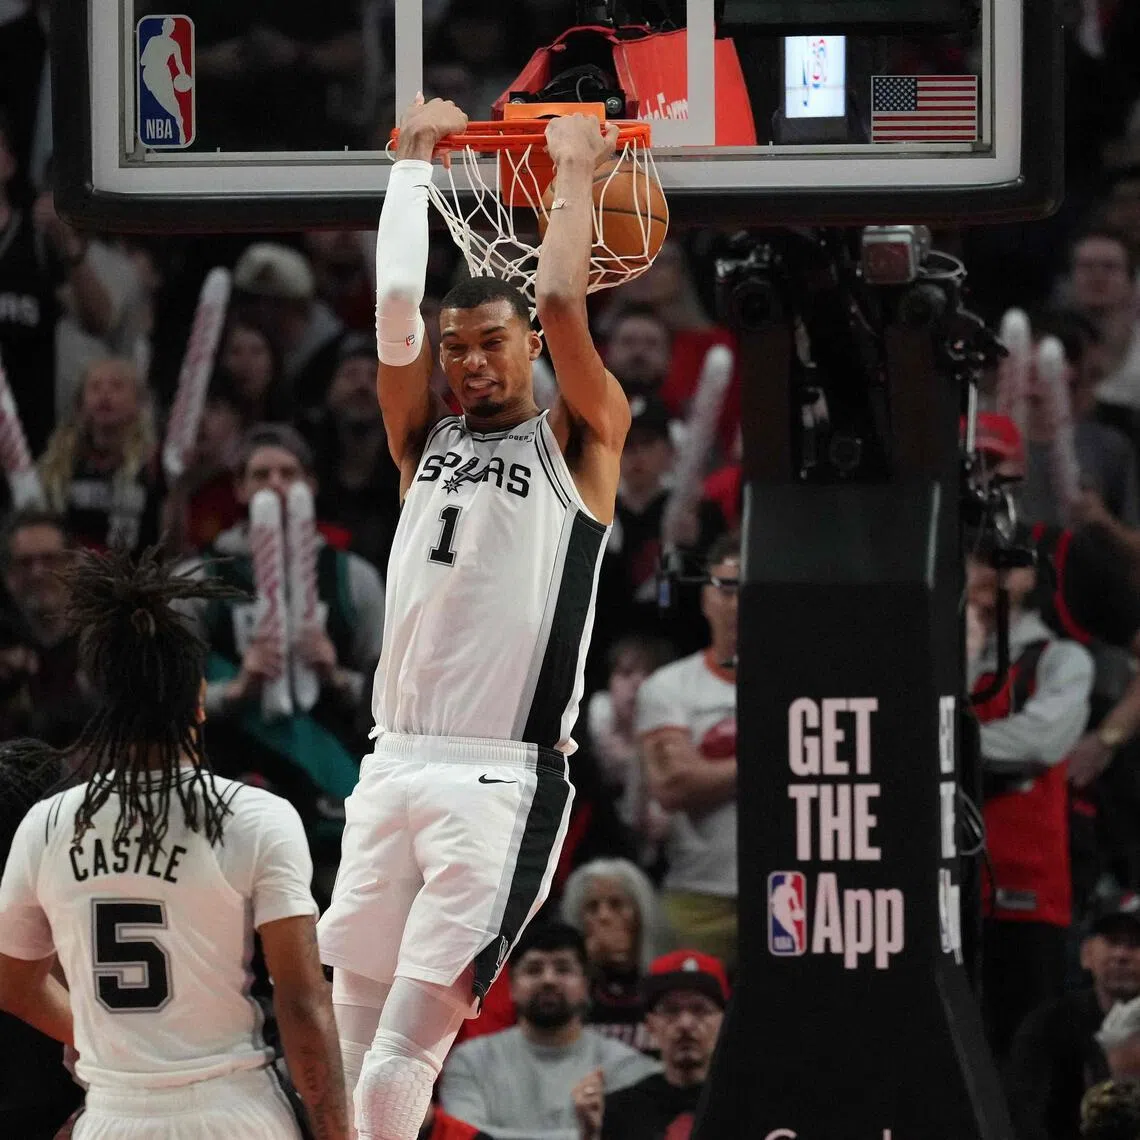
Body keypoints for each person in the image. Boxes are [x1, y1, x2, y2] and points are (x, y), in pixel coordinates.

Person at [316, 94, 633, 1140]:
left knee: (398, 1065)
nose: (469, 365)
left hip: (500, 775)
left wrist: (578, 169)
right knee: (350, 1050)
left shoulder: (582, 439)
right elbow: (396, 311)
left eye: (492, 345)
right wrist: (409, 163)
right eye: (459, 351)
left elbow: (567, 301)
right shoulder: (424, 442)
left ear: (529, 342)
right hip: (389, 763)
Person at [0, 545, 348, 1140]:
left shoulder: (49, 824)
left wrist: (99, 1038)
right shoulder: (256, 817)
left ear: (103, 703)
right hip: (235, 1113)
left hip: (115, 1115)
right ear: (199, 702)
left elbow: (14, 983)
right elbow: (301, 1006)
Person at [438, 922, 658, 1139]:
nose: (548, 979)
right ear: (511, 987)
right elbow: (462, 1137)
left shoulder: (627, 1067)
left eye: (563, 969)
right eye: (534, 969)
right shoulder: (471, 1061)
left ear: (586, 985)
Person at [636, 533, 740, 969]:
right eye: (728, 589)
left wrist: (713, 772)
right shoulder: (669, 687)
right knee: (687, 1024)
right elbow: (674, 785)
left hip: (789, 886)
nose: (739, 602)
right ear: (706, 600)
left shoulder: (805, 683)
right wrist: (777, 751)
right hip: (696, 892)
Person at [1007, 893, 1140, 1140]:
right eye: (1113, 941)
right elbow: (1024, 1114)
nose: (1122, 954)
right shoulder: (1049, 1025)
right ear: (1086, 954)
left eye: (1135, 944)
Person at [573, 950, 728, 1140]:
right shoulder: (619, 1112)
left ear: (724, 1023)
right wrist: (589, 1134)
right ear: (650, 1026)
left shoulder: (747, 1105)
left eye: (700, 1009)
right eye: (671, 1010)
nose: (685, 1024)